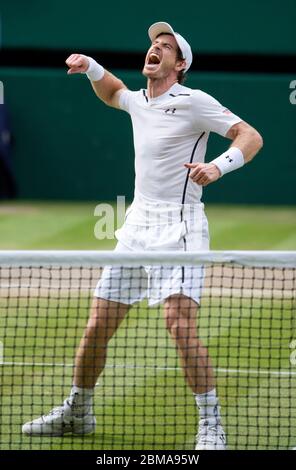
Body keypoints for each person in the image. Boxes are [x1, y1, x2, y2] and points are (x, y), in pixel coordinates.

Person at [22, 22, 263, 450]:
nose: (155, 49)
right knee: (98, 325)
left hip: (180, 226)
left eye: (165, 47)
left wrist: (218, 167)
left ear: (180, 64)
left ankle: (211, 426)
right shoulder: (138, 101)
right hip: (136, 226)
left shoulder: (194, 101)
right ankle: (79, 411)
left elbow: (250, 135)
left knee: (178, 323)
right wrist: (91, 65)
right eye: (153, 44)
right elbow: (114, 91)